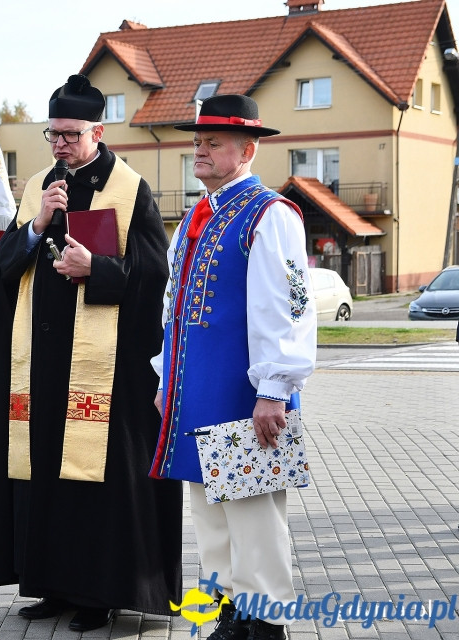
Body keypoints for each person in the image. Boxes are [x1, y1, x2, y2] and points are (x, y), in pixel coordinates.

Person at [0, 74, 183, 632]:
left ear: (98, 131)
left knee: (93, 482)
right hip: (40, 364)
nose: (60, 145)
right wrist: (37, 225)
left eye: (71, 134)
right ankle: (49, 584)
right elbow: (3, 266)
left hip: (103, 369)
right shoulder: (38, 187)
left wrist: (98, 269)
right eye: (53, 134)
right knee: (42, 474)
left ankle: (98, 593)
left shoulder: (130, 188)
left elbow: (156, 275)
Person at [150, 94, 317, 640]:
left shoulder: (270, 214)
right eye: (198, 142)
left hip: (246, 393)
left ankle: (265, 622)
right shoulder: (196, 217)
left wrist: (274, 390)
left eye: (213, 143)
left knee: (254, 513)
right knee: (209, 508)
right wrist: (165, 377)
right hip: (197, 390)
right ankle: (232, 612)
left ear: (247, 151)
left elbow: (288, 309)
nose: (199, 151)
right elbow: (174, 307)